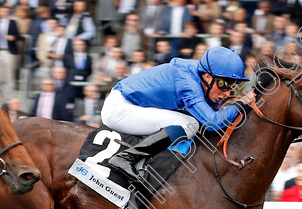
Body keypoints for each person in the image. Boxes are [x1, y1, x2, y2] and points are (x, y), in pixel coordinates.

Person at [100, 46, 252, 181]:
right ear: (207, 77)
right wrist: (241, 103)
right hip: (120, 109)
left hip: (136, 106)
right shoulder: (188, 83)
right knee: (189, 124)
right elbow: (212, 123)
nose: (228, 92)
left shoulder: (202, 77)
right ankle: (126, 158)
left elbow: (216, 118)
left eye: (233, 86)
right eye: (223, 84)